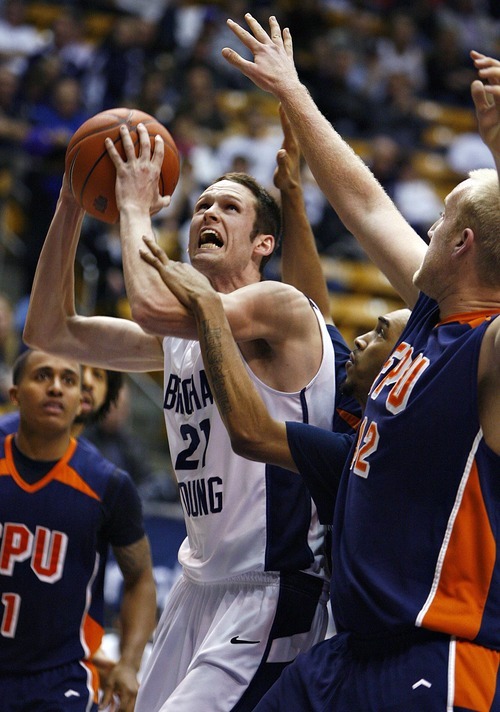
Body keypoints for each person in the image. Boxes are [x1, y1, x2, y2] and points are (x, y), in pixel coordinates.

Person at [22, 109, 347, 711]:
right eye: (201, 205)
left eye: (228, 208)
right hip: (197, 581)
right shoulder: (178, 340)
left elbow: (148, 305)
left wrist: (133, 203)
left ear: (262, 244)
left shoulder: (281, 307)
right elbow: (48, 329)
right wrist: (72, 200)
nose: (207, 213)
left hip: (271, 586)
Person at [219, 19, 500, 710]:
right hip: (347, 651)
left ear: (464, 243)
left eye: (440, 219)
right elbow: (364, 201)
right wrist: (294, 91)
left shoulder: (490, 344)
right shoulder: (437, 312)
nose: (425, 229)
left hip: (436, 656)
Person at [140, 238, 410, 524]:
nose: (360, 338)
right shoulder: (350, 391)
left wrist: (207, 303)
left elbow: (253, 434)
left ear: (405, 366)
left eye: (380, 333)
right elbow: (318, 316)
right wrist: (293, 195)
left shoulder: (364, 455)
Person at [0, 349, 157, 712]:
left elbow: (141, 580)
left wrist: (130, 663)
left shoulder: (108, 484)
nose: (56, 388)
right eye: (42, 376)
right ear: (15, 394)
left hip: (59, 680)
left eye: (68, 380)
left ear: (81, 401)